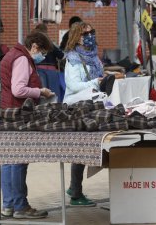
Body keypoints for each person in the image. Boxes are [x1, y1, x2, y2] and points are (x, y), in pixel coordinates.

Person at [0, 31, 55, 219]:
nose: (42, 57)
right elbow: (18, 89)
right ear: (35, 46)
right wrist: (40, 91)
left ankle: (9, 205)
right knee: (19, 159)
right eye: (42, 52)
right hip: (16, 114)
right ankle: (20, 206)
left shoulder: (12, 55)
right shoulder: (21, 59)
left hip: (5, 111)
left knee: (8, 159)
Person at [63, 22, 116, 206]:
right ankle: (76, 192)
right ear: (77, 37)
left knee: (86, 147)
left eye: (92, 32)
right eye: (86, 33)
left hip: (92, 105)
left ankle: (74, 187)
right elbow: (73, 85)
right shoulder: (73, 59)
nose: (90, 35)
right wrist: (95, 82)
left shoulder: (94, 56)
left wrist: (104, 77)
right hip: (77, 108)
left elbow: (97, 76)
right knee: (82, 147)